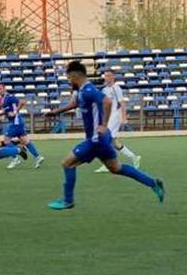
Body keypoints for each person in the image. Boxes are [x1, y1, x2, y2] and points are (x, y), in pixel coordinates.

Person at [45, 61, 164, 210]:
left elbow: (107, 102)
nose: (69, 81)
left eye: (69, 78)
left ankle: (68, 200)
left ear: (75, 76)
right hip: (101, 138)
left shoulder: (88, 90)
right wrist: (56, 112)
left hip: (96, 139)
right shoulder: (82, 91)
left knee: (67, 163)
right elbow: (75, 103)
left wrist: (104, 124)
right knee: (116, 168)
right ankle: (153, 183)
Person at [94, 69, 141, 172]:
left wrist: (124, 117)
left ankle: (108, 163)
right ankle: (134, 157)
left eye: (109, 75)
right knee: (113, 141)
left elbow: (122, 103)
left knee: (106, 138)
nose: (107, 77)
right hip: (109, 117)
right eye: (106, 76)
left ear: (113, 77)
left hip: (115, 117)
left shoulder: (116, 88)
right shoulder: (104, 89)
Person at [0, 83, 44, 169]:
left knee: (6, 140)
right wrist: (1, 114)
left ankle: (15, 158)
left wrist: (15, 112)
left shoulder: (9, 97)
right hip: (17, 122)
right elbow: (8, 110)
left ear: (4, 88)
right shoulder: (3, 99)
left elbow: (22, 102)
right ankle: (38, 157)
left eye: (0, 89)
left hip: (16, 122)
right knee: (25, 141)